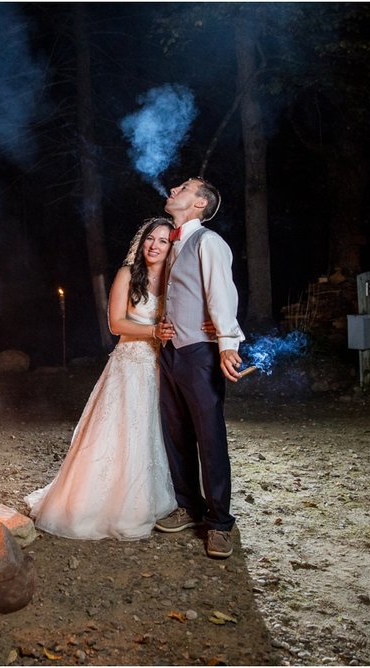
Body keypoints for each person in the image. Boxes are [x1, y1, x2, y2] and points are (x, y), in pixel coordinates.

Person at [25, 218, 177, 540]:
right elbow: (115, 324)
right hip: (128, 365)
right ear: (141, 241)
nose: (155, 245)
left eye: (163, 241)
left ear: (170, 247)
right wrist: (152, 330)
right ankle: (97, 503)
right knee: (118, 431)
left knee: (148, 430)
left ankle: (144, 498)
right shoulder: (126, 274)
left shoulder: (173, 280)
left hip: (157, 367)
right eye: (150, 238)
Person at [154, 177, 245, 559]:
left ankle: (220, 522)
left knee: (209, 435)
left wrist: (227, 343)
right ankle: (188, 506)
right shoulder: (174, 243)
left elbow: (220, 291)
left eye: (185, 188)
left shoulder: (208, 242)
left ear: (200, 205)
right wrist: (160, 325)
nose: (174, 188)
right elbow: (175, 295)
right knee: (176, 433)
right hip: (171, 352)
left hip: (199, 353)